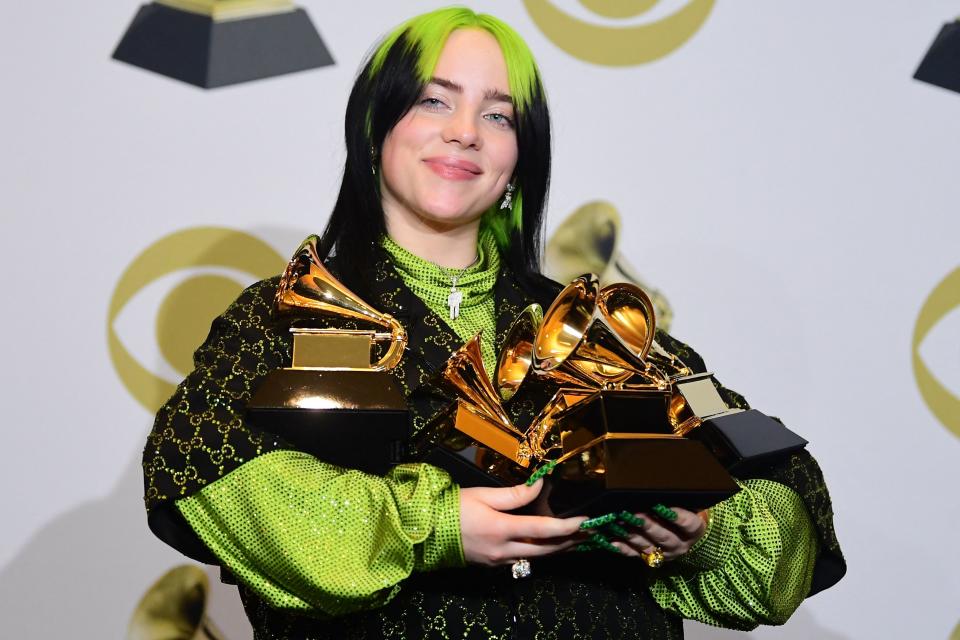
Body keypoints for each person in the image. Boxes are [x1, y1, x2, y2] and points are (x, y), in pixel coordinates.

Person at [142, 7, 845, 639]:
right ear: (375, 127)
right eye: (432, 101)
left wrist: (705, 529)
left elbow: (785, 497)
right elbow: (207, 471)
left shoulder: (611, 334)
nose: (463, 133)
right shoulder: (283, 319)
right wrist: (436, 527)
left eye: (498, 115)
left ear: (519, 163)